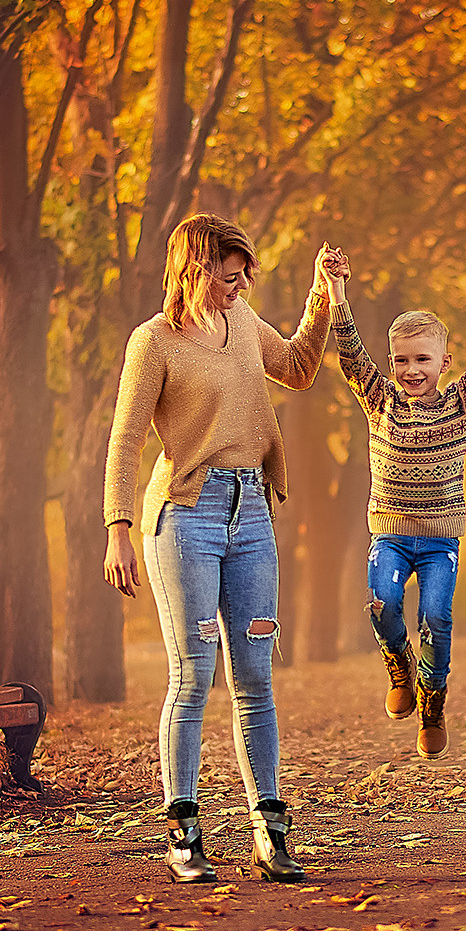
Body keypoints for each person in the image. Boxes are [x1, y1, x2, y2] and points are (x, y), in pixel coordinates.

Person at [103, 215, 338, 884]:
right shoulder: (154, 341)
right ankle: (184, 833)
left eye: (244, 278)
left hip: (251, 519)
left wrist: (323, 293)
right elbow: (124, 441)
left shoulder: (242, 324)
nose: (238, 287)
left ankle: (270, 832)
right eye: (228, 277)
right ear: (195, 269)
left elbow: (296, 367)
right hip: (185, 519)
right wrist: (117, 526)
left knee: (256, 678)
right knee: (193, 675)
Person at [330, 260, 466, 757]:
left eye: (423, 359)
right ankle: (397, 662)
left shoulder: (462, 402)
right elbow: (351, 354)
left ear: (445, 362)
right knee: (381, 603)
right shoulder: (379, 400)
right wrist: (336, 291)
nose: (411, 371)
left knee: (437, 618)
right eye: (401, 360)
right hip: (391, 535)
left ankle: (433, 701)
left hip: (440, 539)